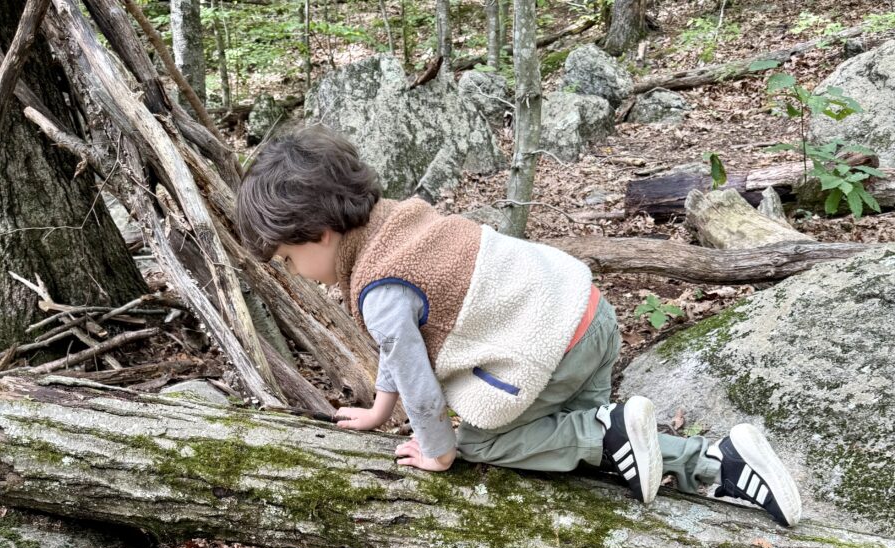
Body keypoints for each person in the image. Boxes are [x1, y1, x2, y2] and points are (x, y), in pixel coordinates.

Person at [235, 124, 801, 526]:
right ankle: (724, 463)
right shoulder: (396, 221)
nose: (295, 272)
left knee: (483, 441)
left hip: (550, 345)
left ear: (320, 233)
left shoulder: (380, 285)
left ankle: (606, 430)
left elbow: (419, 382)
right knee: (601, 446)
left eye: (287, 257)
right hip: (588, 313)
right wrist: (380, 411)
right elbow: (398, 348)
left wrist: (439, 449)